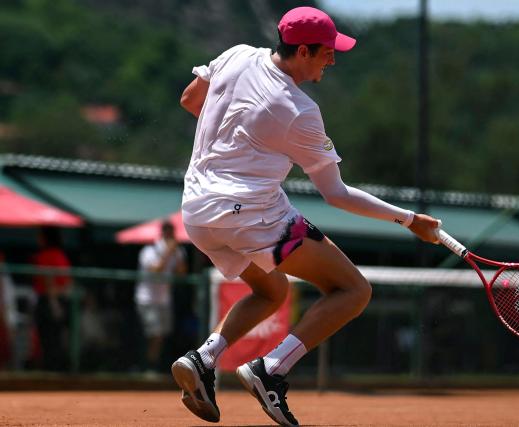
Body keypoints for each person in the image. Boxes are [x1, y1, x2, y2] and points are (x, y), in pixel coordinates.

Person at [171, 6, 441, 426]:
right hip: (249, 215)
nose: (332, 59)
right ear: (301, 51)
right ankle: (271, 369)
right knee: (352, 291)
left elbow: (191, 100)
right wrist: (409, 220)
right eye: (326, 52)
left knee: (272, 292)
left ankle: (203, 358)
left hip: (196, 211)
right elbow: (336, 194)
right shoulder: (299, 111)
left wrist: (245, 140)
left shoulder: (237, 54)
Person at [135, 220, 187, 372]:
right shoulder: (149, 250)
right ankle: (148, 367)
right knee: (154, 334)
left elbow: (182, 273)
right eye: (167, 232)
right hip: (147, 299)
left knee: (163, 335)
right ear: (162, 233)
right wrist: (168, 252)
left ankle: (155, 365)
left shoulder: (177, 251)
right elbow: (156, 270)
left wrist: (176, 255)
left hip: (164, 299)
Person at [31, 227, 72, 371]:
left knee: (48, 341)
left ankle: (51, 371)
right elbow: (68, 284)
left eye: (40, 236)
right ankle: (55, 371)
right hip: (59, 301)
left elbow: (50, 282)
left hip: (49, 302)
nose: (38, 240)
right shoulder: (61, 255)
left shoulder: (45, 255)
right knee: (56, 340)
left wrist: (54, 303)